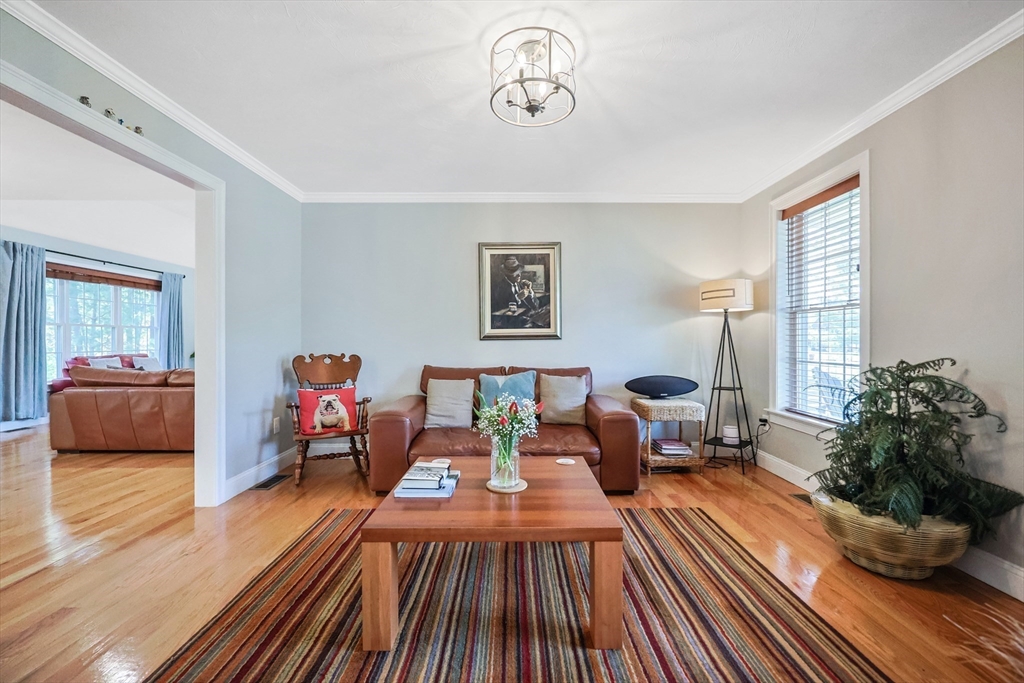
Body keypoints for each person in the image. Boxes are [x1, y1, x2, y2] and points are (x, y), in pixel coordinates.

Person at [491, 256, 540, 327]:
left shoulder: (521, 285)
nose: (519, 275)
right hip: (510, 324)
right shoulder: (498, 288)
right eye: (515, 273)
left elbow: (536, 307)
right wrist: (517, 298)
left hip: (527, 320)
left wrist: (530, 291)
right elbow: (499, 309)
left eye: (519, 272)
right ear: (507, 275)